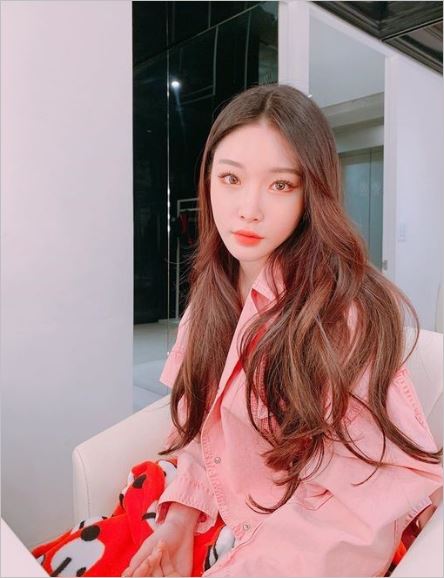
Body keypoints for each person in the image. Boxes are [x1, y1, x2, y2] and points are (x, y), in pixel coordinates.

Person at [33, 83, 442, 577]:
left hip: (306, 541)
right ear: (209, 180)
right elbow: (201, 434)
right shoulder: (211, 297)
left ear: (311, 195)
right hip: (214, 504)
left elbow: (368, 496)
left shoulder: (339, 314)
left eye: (280, 185)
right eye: (231, 178)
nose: (249, 208)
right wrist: (178, 520)